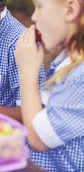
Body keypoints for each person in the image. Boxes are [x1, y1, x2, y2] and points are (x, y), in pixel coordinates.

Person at [15, 0, 84, 171]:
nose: (34, 16)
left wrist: (28, 70)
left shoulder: (80, 77)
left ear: (70, 10)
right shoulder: (66, 62)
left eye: (39, 7)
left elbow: (38, 138)